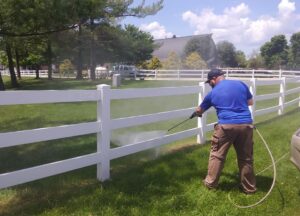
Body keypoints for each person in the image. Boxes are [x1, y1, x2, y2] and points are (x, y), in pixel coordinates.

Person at [194, 68, 256, 194]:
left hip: (226, 127)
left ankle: (210, 184)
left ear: (213, 79)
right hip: (246, 125)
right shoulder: (240, 84)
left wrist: (196, 113)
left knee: (217, 155)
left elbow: (200, 110)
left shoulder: (212, 93)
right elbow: (250, 102)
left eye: (210, 82)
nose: (210, 84)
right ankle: (249, 188)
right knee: (246, 158)